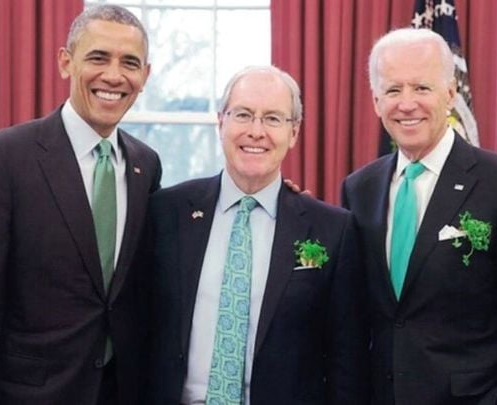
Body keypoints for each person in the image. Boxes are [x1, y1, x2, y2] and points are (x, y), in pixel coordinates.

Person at [0, 5, 161, 404]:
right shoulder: (2, 160)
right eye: (98, 57)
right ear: (65, 62)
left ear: (144, 76)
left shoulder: (145, 166)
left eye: (129, 62)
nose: (114, 75)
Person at [341, 27, 497, 404]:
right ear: (376, 100)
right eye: (393, 90)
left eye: (421, 88)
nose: (406, 104)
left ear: (450, 94)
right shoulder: (359, 189)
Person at [145, 66, 369, 404]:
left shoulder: (333, 231)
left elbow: (346, 361)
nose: (256, 131)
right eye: (244, 115)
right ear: (221, 122)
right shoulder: (166, 212)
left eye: (273, 119)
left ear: (294, 133)